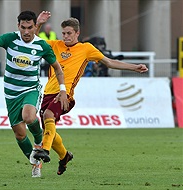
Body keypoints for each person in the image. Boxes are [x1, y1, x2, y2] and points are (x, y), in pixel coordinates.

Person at [33, 11, 149, 175]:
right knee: (48, 130)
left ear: (77, 33)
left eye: (69, 33)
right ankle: (64, 156)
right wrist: (38, 24)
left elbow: (109, 62)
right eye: (64, 33)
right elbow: (33, 41)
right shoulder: (55, 45)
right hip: (48, 93)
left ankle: (44, 150)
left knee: (49, 116)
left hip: (66, 95)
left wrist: (134, 67)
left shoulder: (86, 49)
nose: (65, 36)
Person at [0, 10, 69, 178]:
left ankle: (38, 142)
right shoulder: (10, 38)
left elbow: (57, 68)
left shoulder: (42, 45)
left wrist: (63, 89)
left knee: (29, 117)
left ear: (35, 27)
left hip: (30, 89)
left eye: (30, 27)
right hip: (11, 92)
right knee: (19, 133)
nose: (26, 32)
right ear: (18, 26)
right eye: (23, 28)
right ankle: (35, 162)